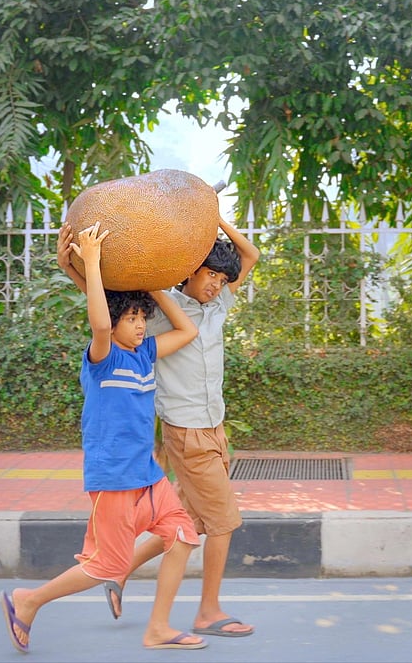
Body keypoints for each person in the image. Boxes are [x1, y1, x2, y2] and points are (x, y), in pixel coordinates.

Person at [0, 221, 207, 654]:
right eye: (130, 319)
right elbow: (99, 321)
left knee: (184, 535)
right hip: (113, 479)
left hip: (147, 477)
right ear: (113, 326)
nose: (138, 327)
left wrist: (150, 290)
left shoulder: (145, 353)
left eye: (140, 320)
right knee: (103, 566)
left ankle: (159, 628)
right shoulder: (102, 358)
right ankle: (29, 600)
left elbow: (188, 331)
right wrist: (90, 264)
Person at [57, 214, 260, 638]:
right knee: (222, 522)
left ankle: (120, 572)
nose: (216, 286)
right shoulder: (162, 313)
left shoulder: (219, 303)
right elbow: (108, 314)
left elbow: (250, 255)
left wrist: (212, 216)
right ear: (189, 271)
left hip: (214, 426)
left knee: (189, 521)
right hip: (185, 430)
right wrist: (72, 266)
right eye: (210, 277)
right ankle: (208, 612)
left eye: (223, 280)